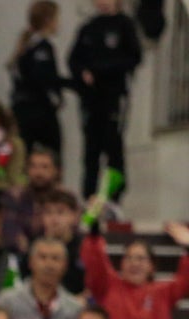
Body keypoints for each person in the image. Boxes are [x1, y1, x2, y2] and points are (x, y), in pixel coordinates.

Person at [82, 223, 189, 319]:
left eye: (141, 258)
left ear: (152, 266)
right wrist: (94, 234)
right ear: (122, 264)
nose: (134, 263)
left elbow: (186, 280)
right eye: (129, 258)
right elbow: (95, 263)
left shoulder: (164, 292)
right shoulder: (108, 286)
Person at [67, 0, 141, 199]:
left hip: (114, 97)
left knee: (113, 148)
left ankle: (114, 198)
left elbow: (134, 57)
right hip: (91, 100)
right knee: (91, 150)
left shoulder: (125, 25)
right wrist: (82, 72)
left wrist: (101, 71)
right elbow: (73, 59)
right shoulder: (89, 27)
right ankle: (89, 197)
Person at [9, 1, 66, 161]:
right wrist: (58, 96)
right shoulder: (41, 47)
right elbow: (43, 78)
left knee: (24, 154)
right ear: (49, 20)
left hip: (22, 108)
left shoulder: (26, 45)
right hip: (38, 111)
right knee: (51, 155)